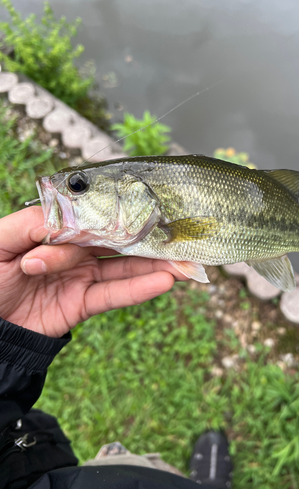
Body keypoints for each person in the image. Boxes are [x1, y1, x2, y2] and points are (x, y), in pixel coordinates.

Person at [0, 208, 299, 489]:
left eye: (78, 185)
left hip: (35, 460)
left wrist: (6, 341)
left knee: (140, 471)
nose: (70, 192)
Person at [0, 207, 233, 489]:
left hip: (31, 456)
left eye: (78, 186)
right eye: (78, 186)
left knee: (134, 466)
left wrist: (7, 344)